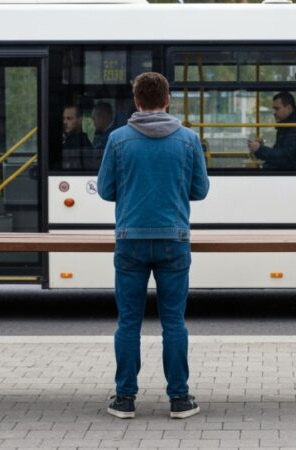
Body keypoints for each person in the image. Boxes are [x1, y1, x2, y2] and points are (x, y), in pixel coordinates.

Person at [97, 72, 210, 420]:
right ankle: (179, 399)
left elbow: (105, 190)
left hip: (130, 240)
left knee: (128, 322)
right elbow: (200, 190)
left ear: (136, 101)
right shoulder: (188, 140)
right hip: (173, 240)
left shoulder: (118, 139)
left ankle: (125, 400)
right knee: (173, 322)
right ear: (167, 100)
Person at [246, 91, 296, 169]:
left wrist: (260, 149)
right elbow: (279, 152)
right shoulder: (287, 124)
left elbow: (285, 157)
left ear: (289, 108)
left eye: (277, 109)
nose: (274, 113)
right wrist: (260, 148)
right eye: (274, 109)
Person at [61, 105, 93, 170]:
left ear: (79, 120)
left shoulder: (82, 142)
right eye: (64, 119)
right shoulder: (68, 139)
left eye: (69, 118)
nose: (65, 122)